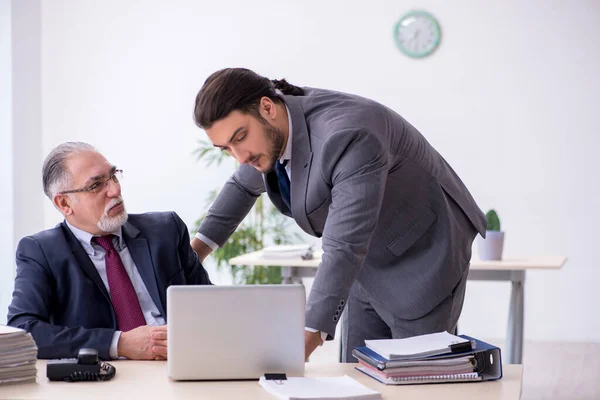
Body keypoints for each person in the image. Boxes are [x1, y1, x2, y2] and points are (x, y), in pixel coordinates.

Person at [190, 68, 486, 362]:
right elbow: (241, 186)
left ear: (267, 107)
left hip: (422, 253)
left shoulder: (348, 135)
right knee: (358, 369)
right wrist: (190, 259)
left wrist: (296, 352)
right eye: (226, 148)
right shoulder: (272, 129)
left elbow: (344, 245)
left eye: (240, 138)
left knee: (416, 378)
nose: (239, 157)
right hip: (367, 258)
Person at [7, 142, 212, 360]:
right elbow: (23, 330)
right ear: (64, 203)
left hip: (180, 363)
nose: (115, 190)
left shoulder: (166, 230)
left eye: (113, 175)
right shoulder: (41, 252)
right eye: (96, 186)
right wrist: (118, 343)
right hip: (104, 379)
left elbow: (210, 304)